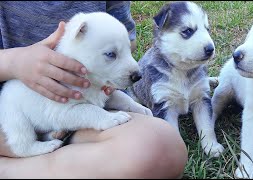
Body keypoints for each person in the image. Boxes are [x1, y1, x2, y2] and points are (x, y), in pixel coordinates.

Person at [0, 1, 188, 178]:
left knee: (162, 147)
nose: (133, 68)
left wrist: (129, 103)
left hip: (67, 129)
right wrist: (12, 62)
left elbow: (104, 91)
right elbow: (63, 112)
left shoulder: (91, 65)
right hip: (9, 120)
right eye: (110, 55)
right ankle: (10, 168)